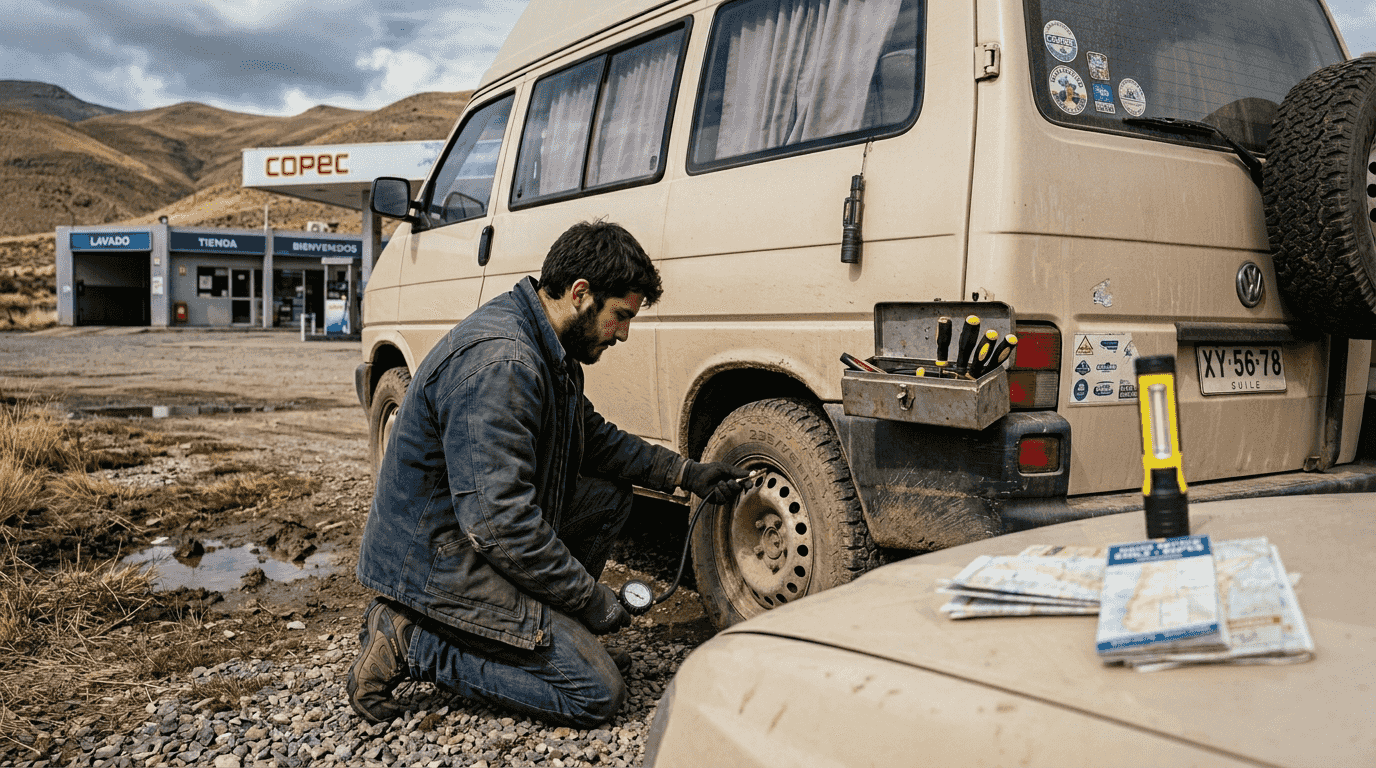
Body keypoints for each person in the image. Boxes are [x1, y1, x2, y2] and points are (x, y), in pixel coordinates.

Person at [348, 220, 750, 728]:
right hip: (438, 560)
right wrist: (588, 599)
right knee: (596, 693)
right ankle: (412, 641)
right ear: (580, 293)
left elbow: (596, 440)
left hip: (470, 539)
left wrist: (686, 472)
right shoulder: (504, 362)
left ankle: (547, 634)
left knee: (607, 495)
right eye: (621, 316)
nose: (624, 333)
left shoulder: (546, 347)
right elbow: (499, 524)